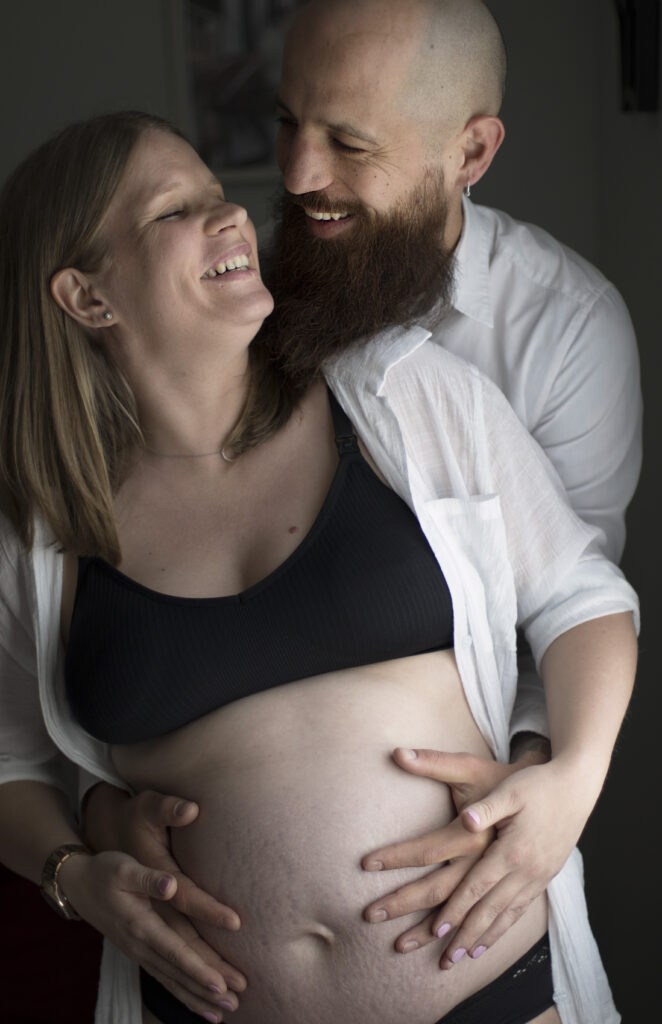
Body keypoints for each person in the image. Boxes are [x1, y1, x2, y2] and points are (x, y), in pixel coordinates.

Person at [0, 110, 638, 1024]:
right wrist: (75, 873)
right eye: (174, 211)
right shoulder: (38, 529)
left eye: (221, 197)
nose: (229, 219)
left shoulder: (400, 394)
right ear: (87, 296)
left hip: (488, 989)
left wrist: (570, 785)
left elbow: (581, 595)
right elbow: (10, 756)